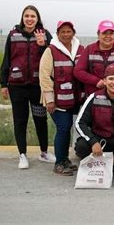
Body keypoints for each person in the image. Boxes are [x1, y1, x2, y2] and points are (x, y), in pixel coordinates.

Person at [0, 5, 55, 169]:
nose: (30, 19)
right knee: (20, 121)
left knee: (40, 120)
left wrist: (43, 44)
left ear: (37, 18)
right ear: (22, 18)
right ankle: (22, 155)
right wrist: (3, 83)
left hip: (38, 87)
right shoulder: (13, 35)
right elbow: (7, 59)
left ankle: (44, 152)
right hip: (17, 87)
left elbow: (53, 56)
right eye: (27, 16)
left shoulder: (44, 34)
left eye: (33, 16)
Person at [74, 63, 114, 182]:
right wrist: (93, 142)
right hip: (99, 137)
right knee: (81, 146)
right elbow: (80, 123)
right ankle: (102, 164)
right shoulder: (94, 97)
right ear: (104, 81)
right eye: (111, 79)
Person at [39, 20, 84, 176]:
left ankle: (65, 160)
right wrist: (49, 99)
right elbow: (44, 76)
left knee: (69, 129)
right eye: (62, 31)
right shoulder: (50, 51)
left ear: (73, 33)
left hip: (74, 98)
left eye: (68, 31)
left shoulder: (80, 49)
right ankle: (59, 163)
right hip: (56, 100)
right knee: (63, 128)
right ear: (57, 34)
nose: (66, 34)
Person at [74, 20, 114, 96]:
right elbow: (78, 71)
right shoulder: (89, 49)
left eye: (111, 33)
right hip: (94, 95)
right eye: (104, 33)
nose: (108, 36)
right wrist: (96, 81)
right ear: (98, 34)